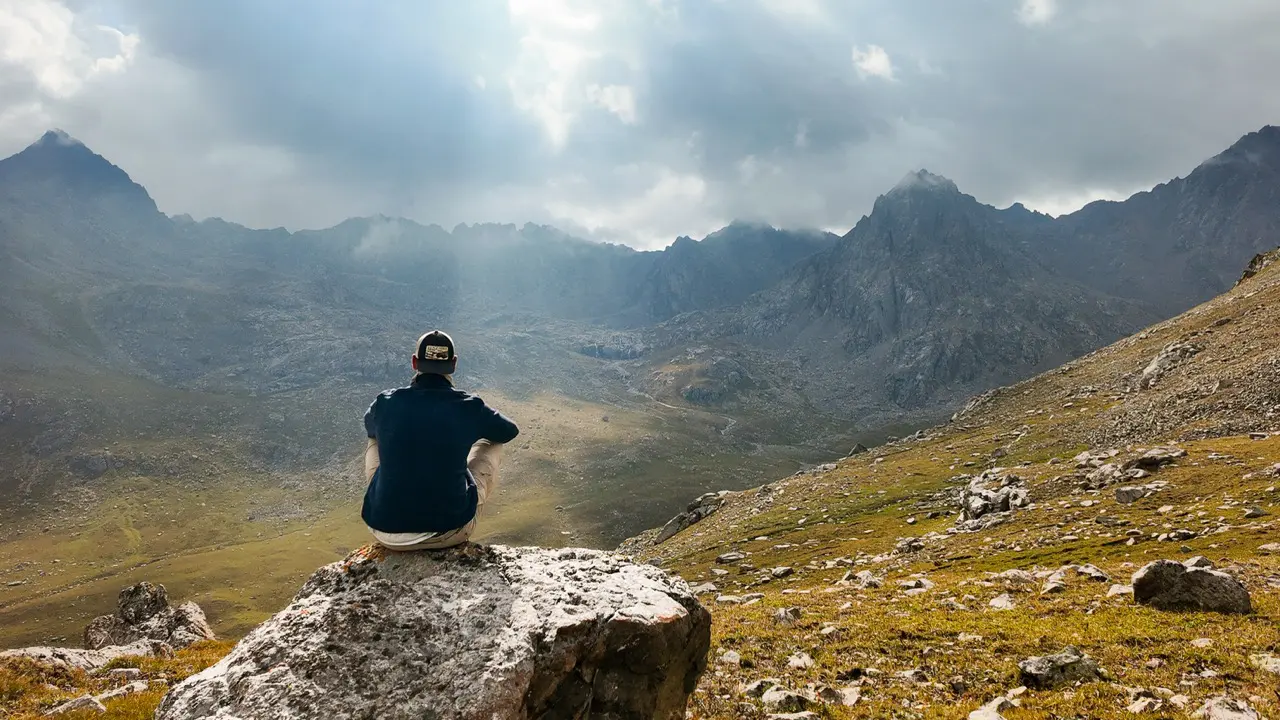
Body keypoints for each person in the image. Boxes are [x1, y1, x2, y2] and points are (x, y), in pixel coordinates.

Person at [360, 330, 519, 550]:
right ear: (453, 364)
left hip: (384, 530)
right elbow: (509, 431)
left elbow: (369, 425)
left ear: (415, 362)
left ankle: (389, 496)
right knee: (492, 443)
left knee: (375, 438)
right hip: (448, 531)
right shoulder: (468, 406)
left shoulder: (385, 402)